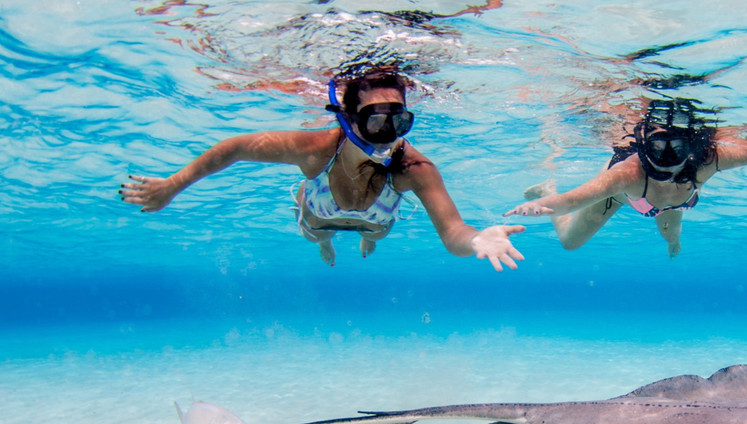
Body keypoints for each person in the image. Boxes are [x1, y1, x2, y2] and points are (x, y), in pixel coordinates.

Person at [120, 69, 525, 270]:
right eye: (375, 121)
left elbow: (452, 231)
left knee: (375, 232)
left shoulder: (414, 168)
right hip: (320, 211)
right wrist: (173, 184)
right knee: (315, 230)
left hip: (375, 219)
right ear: (347, 120)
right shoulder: (315, 150)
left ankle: (364, 242)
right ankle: (326, 244)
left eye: (398, 121)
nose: (388, 136)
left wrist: (475, 240)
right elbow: (237, 148)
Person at [504, 98, 747, 258]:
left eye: (678, 148)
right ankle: (544, 183)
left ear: (693, 146)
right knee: (569, 242)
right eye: (658, 148)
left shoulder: (708, 160)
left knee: (671, 234)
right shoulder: (628, 173)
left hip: (676, 203)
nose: (668, 159)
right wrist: (540, 204)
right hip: (628, 197)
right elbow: (573, 200)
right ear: (643, 145)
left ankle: (673, 244)